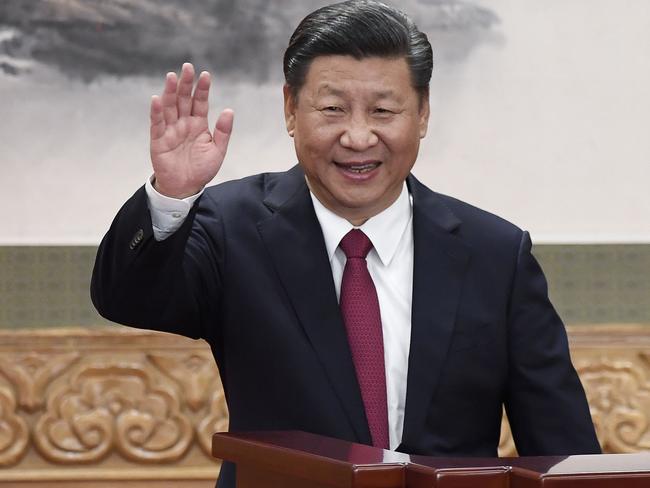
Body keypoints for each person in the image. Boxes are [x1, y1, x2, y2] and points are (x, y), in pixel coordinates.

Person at [91, 1, 601, 486]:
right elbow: (128, 299)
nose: (358, 138)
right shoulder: (231, 226)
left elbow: (562, 451)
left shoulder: (495, 253)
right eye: (333, 108)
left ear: (422, 113)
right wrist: (172, 196)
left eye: (383, 111)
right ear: (291, 109)